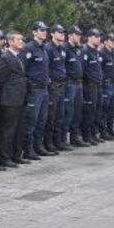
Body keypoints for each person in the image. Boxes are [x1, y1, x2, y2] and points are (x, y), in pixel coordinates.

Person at [23, 21, 56, 158]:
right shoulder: (29, 48)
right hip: (34, 89)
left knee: (42, 120)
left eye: (45, 30)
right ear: (34, 32)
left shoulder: (43, 48)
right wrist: (29, 86)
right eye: (41, 30)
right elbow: (24, 70)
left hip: (44, 89)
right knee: (31, 120)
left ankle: (37, 146)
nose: (44, 32)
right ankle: (28, 149)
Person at [0, 32, 28, 166]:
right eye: (18, 39)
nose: (21, 42)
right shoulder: (5, 57)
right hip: (9, 99)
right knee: (8, 129)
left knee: (19, 128)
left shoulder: (19, 56)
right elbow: (0, 79)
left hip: (20, 98)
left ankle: (16, 154)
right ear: (10, 41)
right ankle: (5, 157)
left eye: (22, 39)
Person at [45, 24, 72, 152]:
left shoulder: (61, 49)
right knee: (51, 116)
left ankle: (58, 141)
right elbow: (46, 68)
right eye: (59, 32)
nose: (62, 34)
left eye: (63, 32)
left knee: (60, 116)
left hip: (62, 86)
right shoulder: (48, 48)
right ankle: (48, 143)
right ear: (52, 34)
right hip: (53, 87)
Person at [63, 26, 88, 147]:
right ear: (70, 35)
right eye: (77, 35)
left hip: (78, 83)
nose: (79, 37)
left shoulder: (78, 49)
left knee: (77, 112)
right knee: (68, 112)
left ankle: (74, 137)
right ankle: (63, 139)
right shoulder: (64, 49)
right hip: (69, 84)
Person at [81, 29, 104, 145]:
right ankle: (87, 135)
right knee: (89, 112)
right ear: (89, 37)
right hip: (89, 85)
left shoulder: (96, 51)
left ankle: (94, 134)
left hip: (97, 85)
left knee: (97, 111)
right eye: (96, 36)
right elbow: (82, 70)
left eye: (99, 36)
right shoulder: (85, 51)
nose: (98, 38)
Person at [99, 34, 114, 140]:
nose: (113, 42)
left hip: (113, 84)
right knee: (104, 110)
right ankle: (103, 132)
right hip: (106, 84)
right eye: (111, 40)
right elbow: (99, 69)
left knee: (112, 109)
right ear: (105, 42)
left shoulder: (113, 53)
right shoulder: (102, 53)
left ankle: (111, 130)